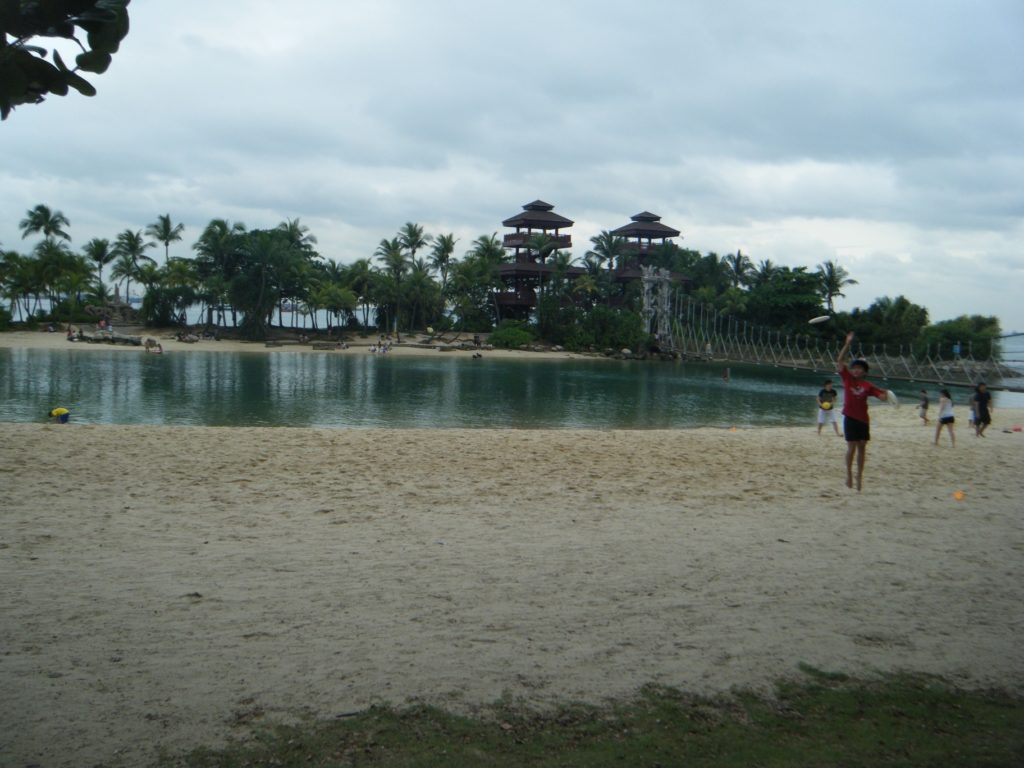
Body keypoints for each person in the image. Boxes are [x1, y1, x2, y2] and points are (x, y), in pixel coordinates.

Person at [837, 331, 889, 491]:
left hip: (863, 420)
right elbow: (840, 361)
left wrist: (887, 395)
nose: (857, 370)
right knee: (851, 446)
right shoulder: (847, 378)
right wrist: (847, 343)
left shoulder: (868, 385)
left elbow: (881, 397)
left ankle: (859, 475)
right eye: (855, 368)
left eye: (860, 369)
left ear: (865, 372)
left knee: (862, 448)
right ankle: (849, 474)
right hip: (850, 418)